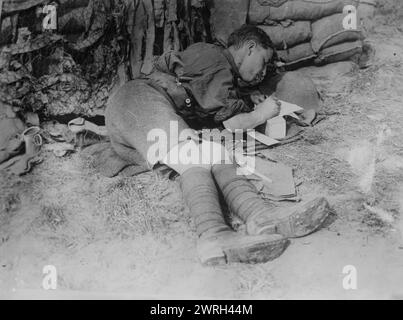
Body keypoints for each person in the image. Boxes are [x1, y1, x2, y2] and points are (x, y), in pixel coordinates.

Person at [105, 25, 330, 265]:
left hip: (139, 116)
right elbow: (232, 123)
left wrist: (245, 99)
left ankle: (262, 217)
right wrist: (260, 114)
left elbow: (210, 100)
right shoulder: (217, 61)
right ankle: (213, 234)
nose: (263, 73)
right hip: (138, 100)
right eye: (263, 62)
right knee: (192, 154)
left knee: (215, 152)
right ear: (249, 48)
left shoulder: (218, 68)